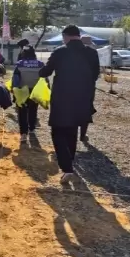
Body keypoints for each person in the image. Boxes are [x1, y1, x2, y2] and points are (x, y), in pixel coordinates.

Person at [39, 25, 100, 184]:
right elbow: (95, 75)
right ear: (78, 36)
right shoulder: (92, 53)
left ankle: (67, 168)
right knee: (72, 131)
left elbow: (46, 72)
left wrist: (41, 69)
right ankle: (70, 163)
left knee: (58, 132)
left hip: (62, 98)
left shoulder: (60, 52)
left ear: (65, 36)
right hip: (83, 99)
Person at [12, 46, 46, 142]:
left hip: (22, 90)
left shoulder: (20, 64)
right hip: (35, 90)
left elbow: (16, 79)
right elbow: (44, 78)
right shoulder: (40, 64)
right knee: (33, 109)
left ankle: (23, 133)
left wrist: (14, 91)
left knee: (22, 111)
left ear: (23, 54)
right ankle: (32, 128)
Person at [80, 35, 98, 142]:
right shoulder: (93, 52)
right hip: (88, 86)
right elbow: (96, 71)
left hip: (72, 85)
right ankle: (83, 135)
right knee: (86, 109)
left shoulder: (73, 51)